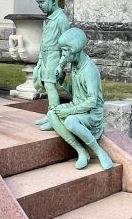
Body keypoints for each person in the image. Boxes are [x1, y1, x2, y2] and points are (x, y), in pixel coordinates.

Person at [46, 27, 114, 170]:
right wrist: (62, 82)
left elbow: (91, 101)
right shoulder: (75, 64)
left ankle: (99, 151)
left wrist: (69, 111)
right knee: (51, 114)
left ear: (74, 51)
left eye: (65, 51)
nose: (63, 55)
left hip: (91, 114)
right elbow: (77, 93)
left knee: (70, 121)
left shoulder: (89, 70)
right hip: (78, 108)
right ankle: (81, 151)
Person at [31, 0, 71, 130]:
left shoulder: (61, 19)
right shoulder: (48, 19)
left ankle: (54, 117)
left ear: (53, 1)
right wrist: (40, 61)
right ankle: (50, 114)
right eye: (38, 2)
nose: (39, 5)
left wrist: (61, 65)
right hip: (46, 56)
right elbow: (43, 42)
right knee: (46, 85)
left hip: (55, 56)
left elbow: (67, 45)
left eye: (41, 2)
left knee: (50, 85)